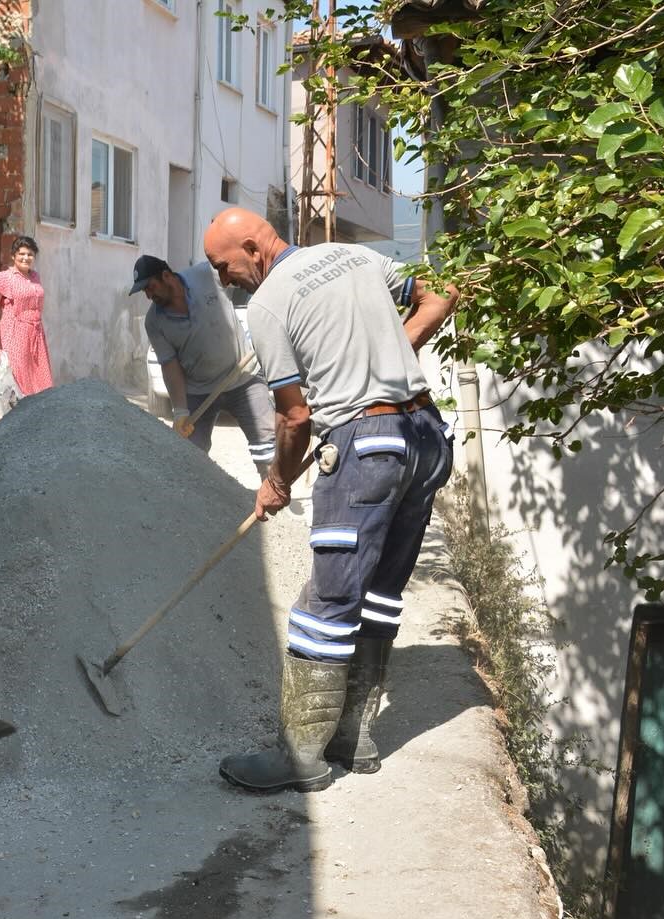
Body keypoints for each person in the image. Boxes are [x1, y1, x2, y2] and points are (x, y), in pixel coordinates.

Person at [202, 207, 458, 794]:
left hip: (368, 450)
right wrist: (393, 356)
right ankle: (353, 737)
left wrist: (275, 482)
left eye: (223, 266)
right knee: (382, 592)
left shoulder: (267, 306)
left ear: (251, 246)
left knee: (326, 600)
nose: (224, 279)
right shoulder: (355, 255)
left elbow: (295, 415)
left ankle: (301, 757)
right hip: (425, 438)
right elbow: (442, 294)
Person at [129, 254, 277, 477]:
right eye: (144, 292)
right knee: (189, 458)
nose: (149, 296)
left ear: (166, 276)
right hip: (198, 391)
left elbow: (242, 270)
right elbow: (170, 366)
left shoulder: (206, 276)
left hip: (243, 376)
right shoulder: (155, 322)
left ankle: (273, 496)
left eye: (150, 287)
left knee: (267, 446)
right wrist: (180, 411)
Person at [0, 235, 53, 400]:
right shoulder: (4, 277)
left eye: (30, 254)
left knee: (41, 381)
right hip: (15, 334)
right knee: (17, 381)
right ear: (13, 255)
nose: (25, 258)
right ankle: (16, 421)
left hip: (36, 334)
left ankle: (38, 421)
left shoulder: (35, 277)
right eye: (21, 254)